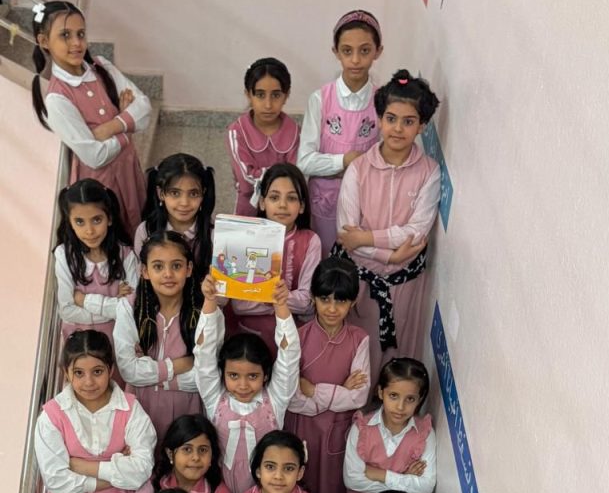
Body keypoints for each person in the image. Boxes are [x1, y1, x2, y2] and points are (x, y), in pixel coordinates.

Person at [334, 70, 440, 375]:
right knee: (356, 362)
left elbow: (415, 233)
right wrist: (389, 255)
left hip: (404, 284)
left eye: (409, 121)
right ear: (379, 119)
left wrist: (367, 239)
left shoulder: (429, 172)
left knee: (396, 364)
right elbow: (346, 234)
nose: (398, 128)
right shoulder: (358, 169)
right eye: (391, 118)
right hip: (361, 282)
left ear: (422, 125)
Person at [31, 0, 150, 234]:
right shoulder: (57, 99)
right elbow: (95, 156)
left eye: (81, 34)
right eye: (65, 35)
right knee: (113, 236)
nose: (77, 43)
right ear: (44, 41)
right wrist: (127, 126)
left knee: (139, 229)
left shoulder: (101, 67)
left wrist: (109, 128)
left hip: (128, 170)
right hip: (99, 186)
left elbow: (144, 108)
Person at [35, 329, 156, 493]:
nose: (88, 382)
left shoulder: (131, 409)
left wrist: (80, 466)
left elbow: (141, 471)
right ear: (66, 373)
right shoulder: (51, 416)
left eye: (97, 371)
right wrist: (115, 473)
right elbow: (57, 481)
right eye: (79, 373)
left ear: (111, 369)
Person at [285, 256, 370, 493]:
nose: (332, 308)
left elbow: (359, 397)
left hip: (338, 433)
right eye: (325, 299)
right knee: (299, 488)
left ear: (353, 302)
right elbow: (292, 397)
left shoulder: (359, 340)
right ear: (313, 298)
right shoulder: (297, 336)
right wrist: (338, 392)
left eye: (341, 301)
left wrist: (314, 390)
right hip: (301, 428)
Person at [194, 276, 300, 493]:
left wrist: (281, 305)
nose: (243, 385)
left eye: (252, 376)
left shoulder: (276, 399)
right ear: (222, 373)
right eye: (233, 375)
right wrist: (210, 300)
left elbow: (289, 356)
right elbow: (204, 352)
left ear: (266, 375)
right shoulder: (215, 398)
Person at [298, 10, 383, 256]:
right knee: (324, 259)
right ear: (335, 52)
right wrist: (344, 161)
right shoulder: (320, 99)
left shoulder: (383, 101)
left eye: (364, 50)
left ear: (378, 51)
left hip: (365, 202)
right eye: (347, 51)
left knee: (358, 261)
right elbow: (304, 161)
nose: (355, 60)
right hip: (324, 202)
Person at [114, 231, 207, 442]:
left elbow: (205, 376)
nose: (168, 274)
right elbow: (129, 371)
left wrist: (154, 376)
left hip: (188, 413)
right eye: (158, 266)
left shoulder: (206, 311)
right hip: (139, 410)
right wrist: (181, 365)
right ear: (144, 271)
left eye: (176, 266)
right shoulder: (129, 307)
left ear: (189, 269)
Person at [337, 357, 436, 493]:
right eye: (393, 396)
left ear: (420, 399)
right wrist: (404, 479)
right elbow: (352, 479)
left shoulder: (424, 433)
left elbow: (426, 486)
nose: (400, 407)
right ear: (381, 392)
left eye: (410, 399)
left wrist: (381, 474)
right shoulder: (362, 427)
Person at [232, 163, 321, 352]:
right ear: (262, 202)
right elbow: (239, 304)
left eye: (291, 198)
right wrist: (282, 298)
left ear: (302, 206)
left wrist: (262, 296)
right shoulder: (246, 236)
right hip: (250, 340)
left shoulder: (311, 241)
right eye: (274, 197)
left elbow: (307, 303)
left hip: (295, 338)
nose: (282, 205)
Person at [54, 178, 139, 364]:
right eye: (79, 222)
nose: (89, 231)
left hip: (118, 347)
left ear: (109, 218)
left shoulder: (126, 255)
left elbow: (132, 310)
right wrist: (114, 306)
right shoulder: (64, 255)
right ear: (70, 222)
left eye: (96, 220)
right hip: (78, 351)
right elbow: (66, 311)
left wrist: (85, 301)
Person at [226, 58, 300, 216]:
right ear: (248, 94)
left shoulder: (296, 133)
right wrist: (281, 176)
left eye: (276, 95)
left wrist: (259, 173)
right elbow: (246, 183)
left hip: (284, 213)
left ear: (286, 95)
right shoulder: (237, 132)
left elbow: (295, 178)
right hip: (248, 212)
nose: (268, 105)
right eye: (260, 95)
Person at [134, 153, 216, 285]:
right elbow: (142, 280)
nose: (184, 203)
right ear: (161, 193)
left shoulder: (215, 234)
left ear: (203, 194)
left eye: (193, 194)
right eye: (175, 193)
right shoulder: (146, 230)